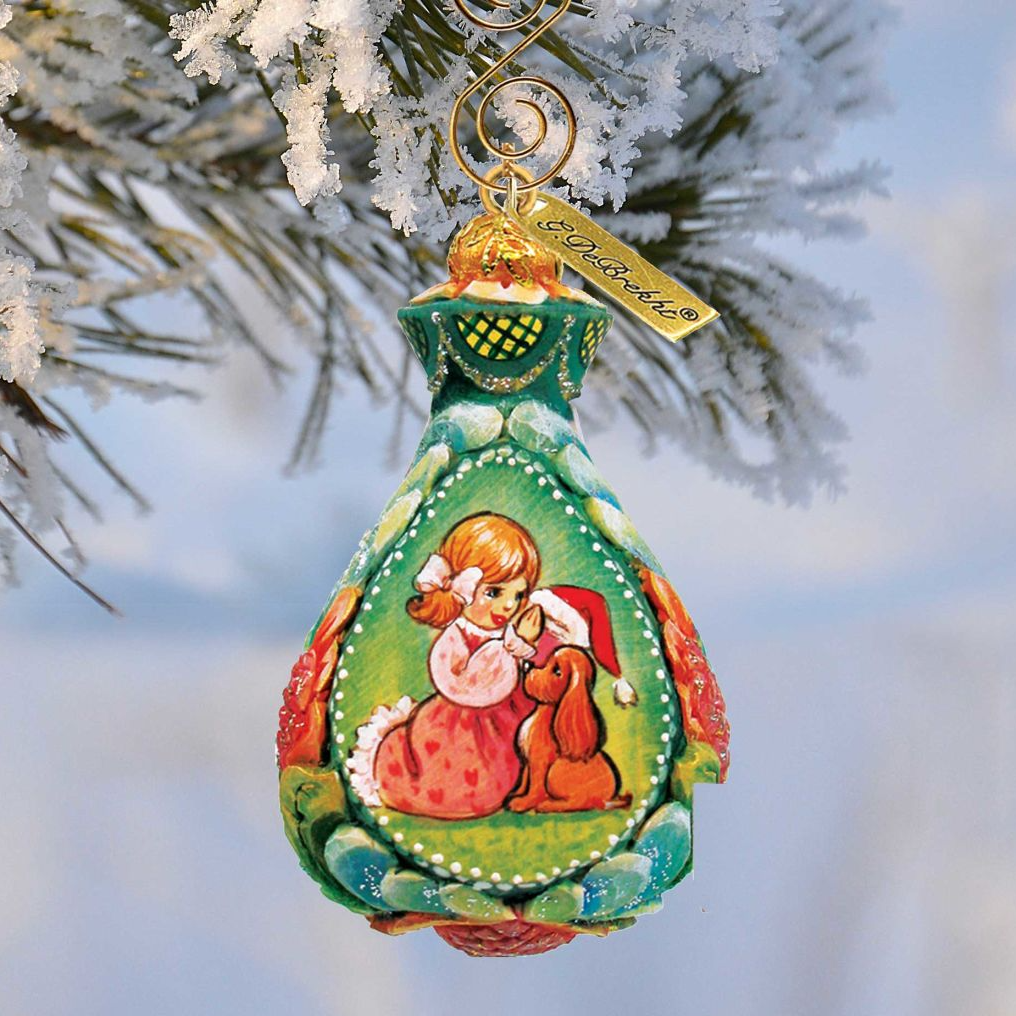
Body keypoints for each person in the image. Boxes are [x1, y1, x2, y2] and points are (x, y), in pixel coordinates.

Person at [347, 513, 544, 819]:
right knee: (472, 791)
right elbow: (464, 687)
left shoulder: (501, 633)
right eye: (494, 592)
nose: (508, 605)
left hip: (501, 725)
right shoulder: (455, 638)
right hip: (460, 730)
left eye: (518, 594)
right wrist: (513, 647)